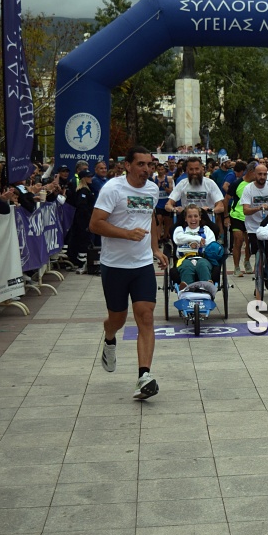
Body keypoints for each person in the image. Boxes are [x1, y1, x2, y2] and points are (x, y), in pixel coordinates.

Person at [89, 146, 168, 400]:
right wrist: (126, 234)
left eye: (150, 165)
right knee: (118, 318)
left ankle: (144, 376)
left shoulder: (153, 190)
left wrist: (155, 249)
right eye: (142, 164)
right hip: (115, 265)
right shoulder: (113, 189)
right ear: (128, 166)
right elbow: (95, 224)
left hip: (142, 264)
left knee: (145, 316)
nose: (147, 169)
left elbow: (150, 219)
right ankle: (109, 336)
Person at [173, 204, 218, 289]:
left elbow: (212, 244)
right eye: (189, 216)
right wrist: (197, 239)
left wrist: (197, 245)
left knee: (202, 264)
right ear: (185, 219)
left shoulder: (206, 229)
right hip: (185, 258)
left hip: (203, 258)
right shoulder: (180, 230)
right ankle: (187, 288)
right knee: (186, 266)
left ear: (200, 217)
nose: (193, 219)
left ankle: (206, 287)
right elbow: (178, 239)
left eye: (195, 216)